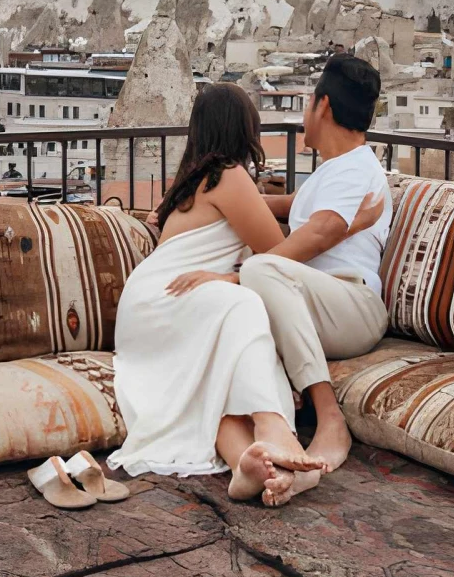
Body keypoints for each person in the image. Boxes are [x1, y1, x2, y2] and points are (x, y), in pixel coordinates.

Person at [108, 84, 376, 507]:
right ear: (244, 129)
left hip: (151, 306)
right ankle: (275, 430)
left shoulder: (190, 183)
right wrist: (355, 221)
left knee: (224, 377)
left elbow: (263, 220)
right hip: (174, 295)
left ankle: (250, 465)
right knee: (247, 303)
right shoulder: (231, 177)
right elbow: (275, 259)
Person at [238, 53, 391, 473]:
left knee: (255, 272)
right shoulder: (334, 172)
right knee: (235, 319)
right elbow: (289, 207)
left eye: (306, 105)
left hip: (353, 305)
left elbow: (323, 229)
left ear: (322, 105)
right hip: (316, 303)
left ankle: (330, 417)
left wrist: (238, 277)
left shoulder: (357, 168)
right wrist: (210, 198)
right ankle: (276, 450)